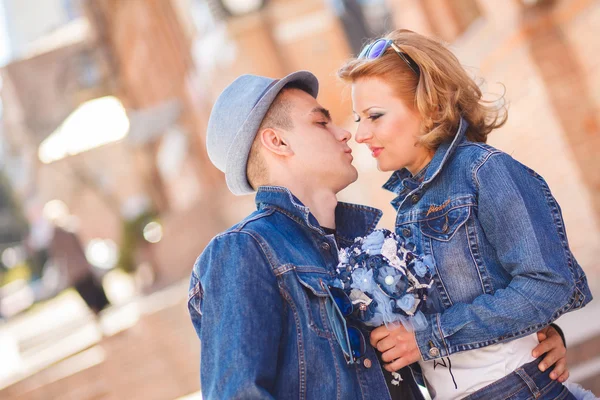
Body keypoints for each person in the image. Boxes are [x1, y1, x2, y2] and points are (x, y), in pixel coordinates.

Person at [187, 70, 570, 399]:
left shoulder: (362, 246)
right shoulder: (243, 251)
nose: (346, 135)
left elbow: (404, 357)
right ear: (278, 142)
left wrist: (525, 341)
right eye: (322, 123)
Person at [337, 29, 592, 399]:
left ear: (429, 106)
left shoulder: (483, 171)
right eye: (359, 119)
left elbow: (550, 283)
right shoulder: (410, 202)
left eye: (374, 115)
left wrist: (427, 338)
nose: (360, 134)